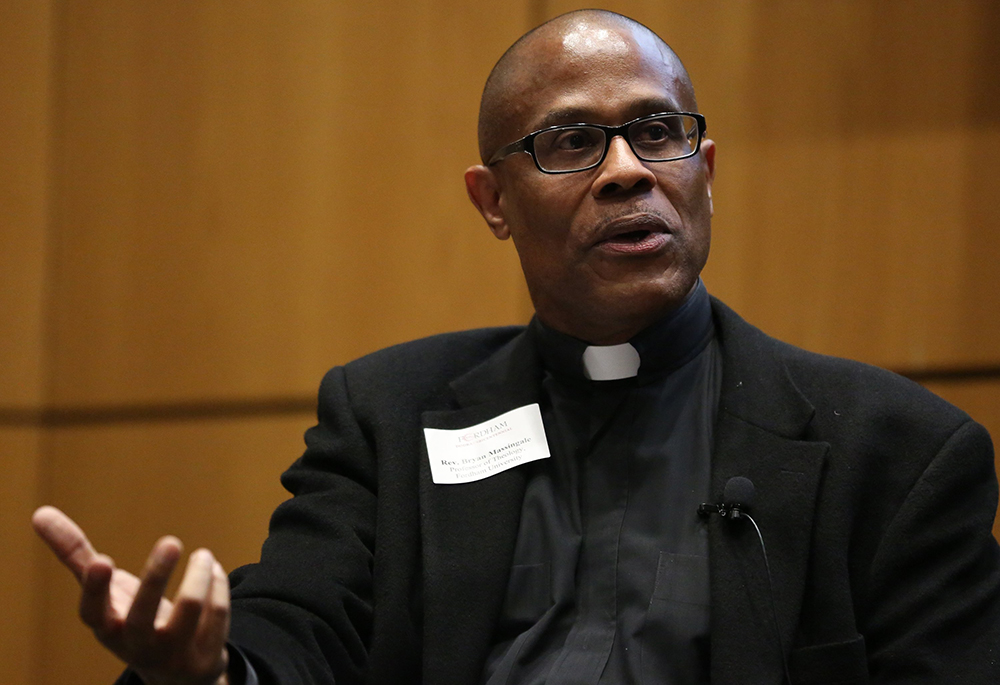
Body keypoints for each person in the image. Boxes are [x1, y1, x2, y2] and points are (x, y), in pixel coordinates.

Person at [33, 9, 1000, 685]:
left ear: (705, 174)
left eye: (656, 133)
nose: (627, 172)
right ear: (492, 202)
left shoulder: (898, 453)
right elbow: (299, 627)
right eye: (571, 142)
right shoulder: (390, 419)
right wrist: (207, 671)